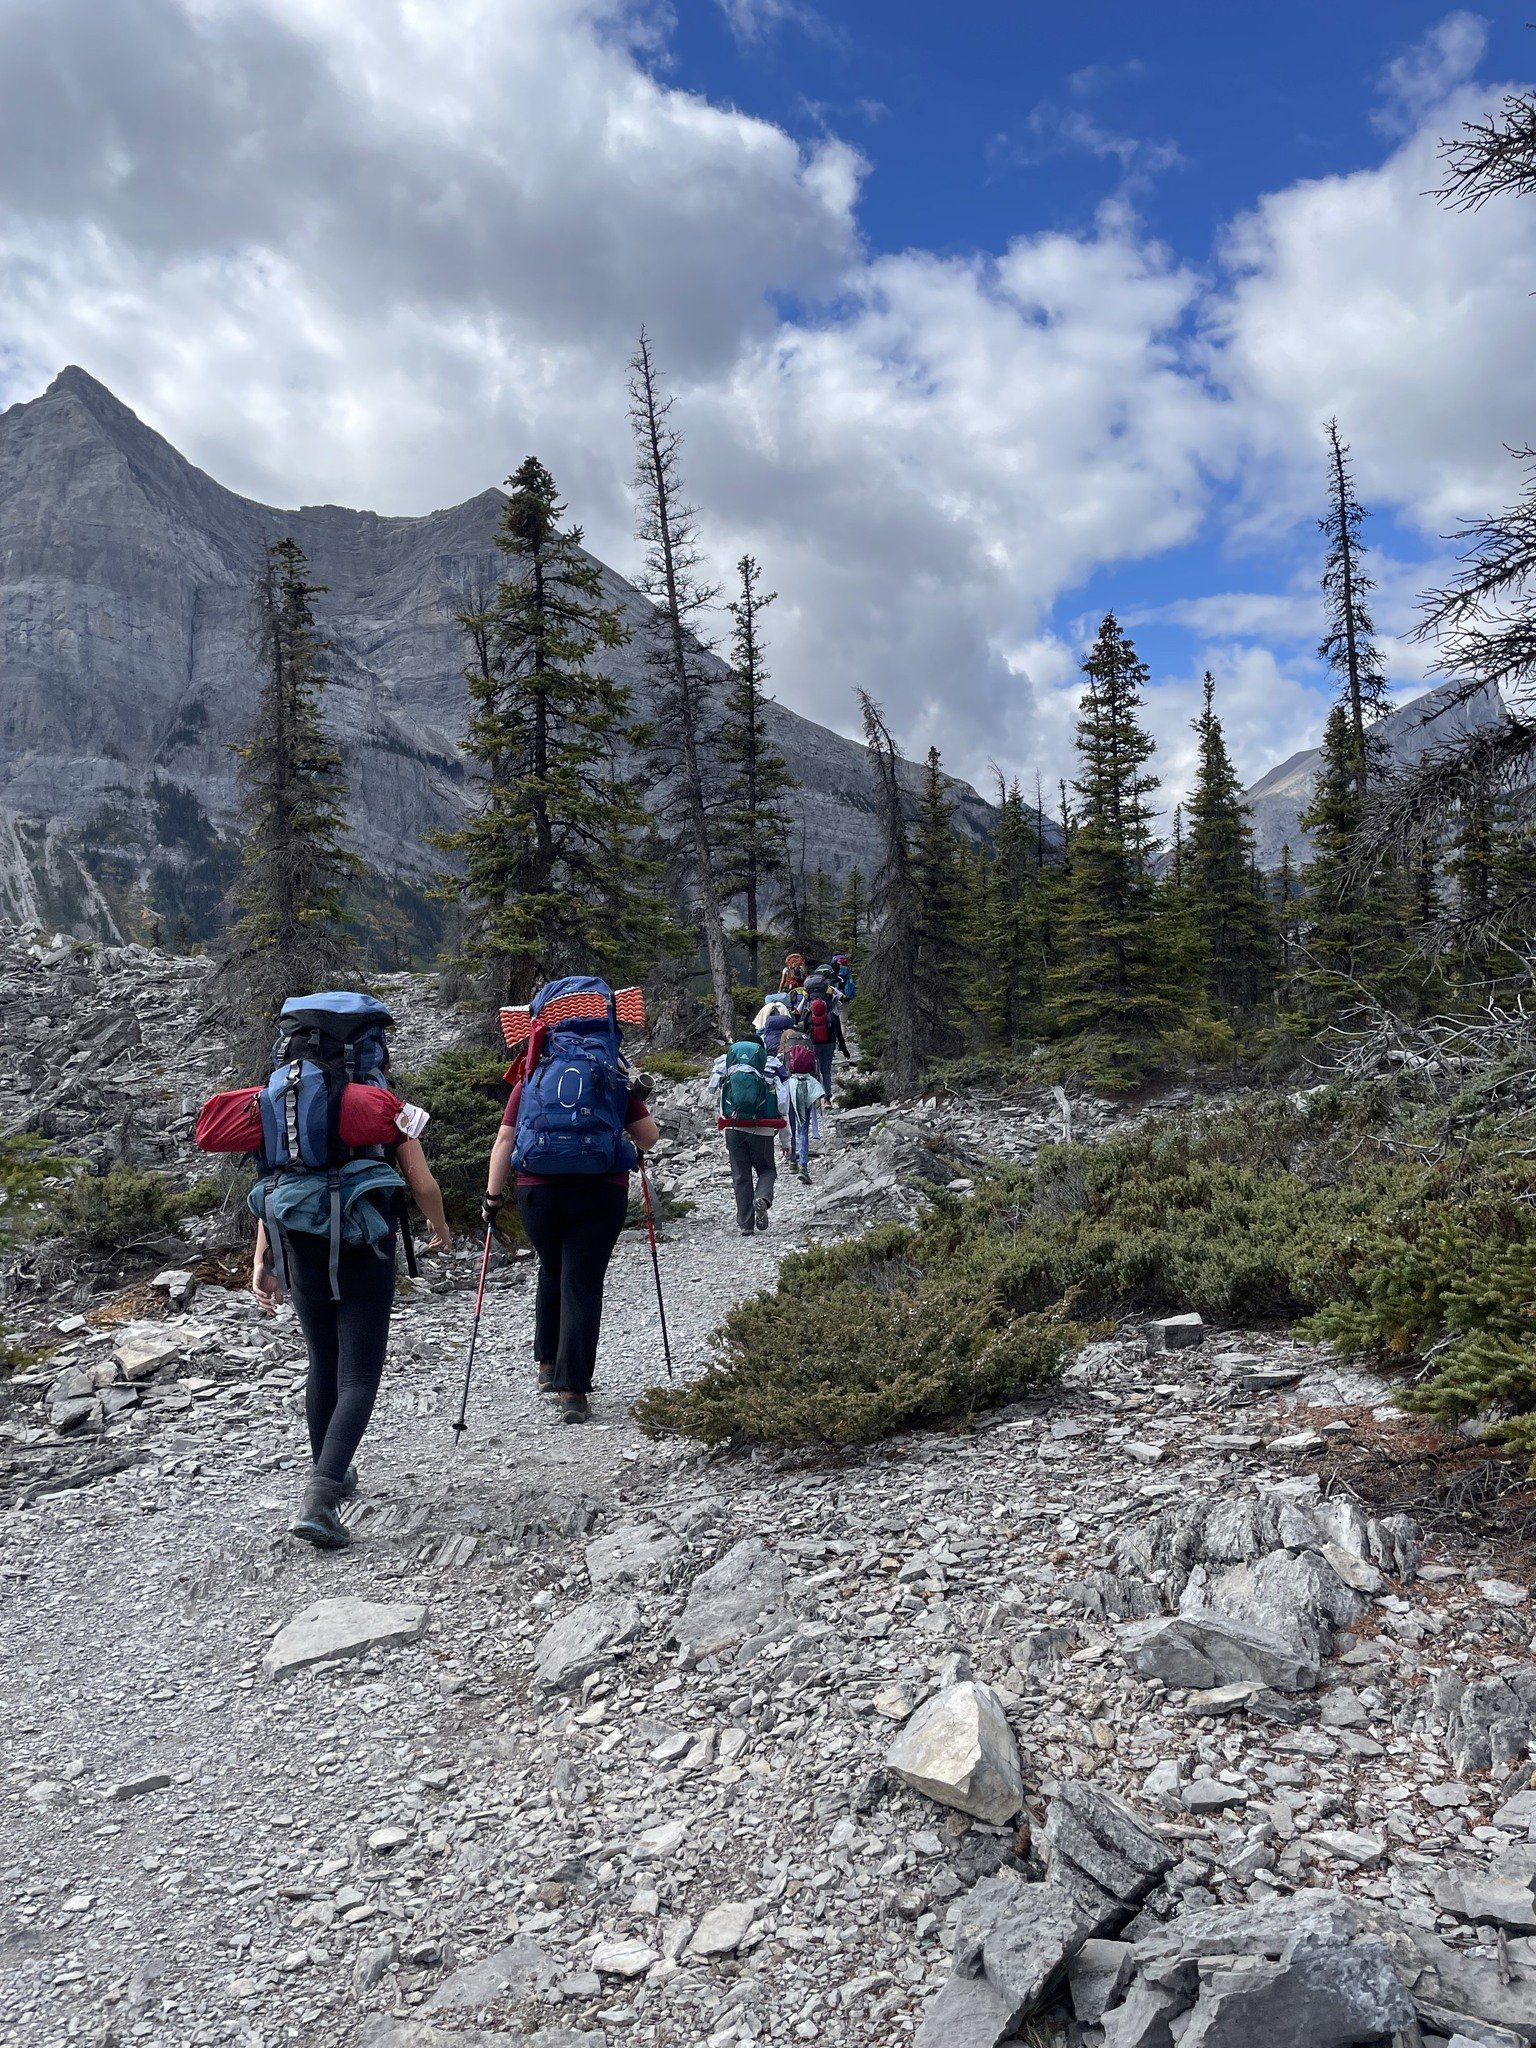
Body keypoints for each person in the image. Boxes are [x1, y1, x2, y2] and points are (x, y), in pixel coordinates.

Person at [251, 1047, 451, 1553]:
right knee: (360, 1374)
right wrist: (440, 1223)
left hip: (297, 1240)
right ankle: (320, 1499)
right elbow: (421, 1180)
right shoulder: (379, 1101)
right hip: (365, 1242)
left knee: (322, 1361)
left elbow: (274, 1181)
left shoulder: (281, 1101)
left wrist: (263, 1260)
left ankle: (331, 1473)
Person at [483, 992, 659, 1426]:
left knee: (551, 1267)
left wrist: (491, 1197)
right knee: (581, 1281)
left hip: (538, 1192)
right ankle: (572, 1390)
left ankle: (546, 1364)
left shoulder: (532, 1077)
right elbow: (649, 1137)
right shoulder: (612, 1075)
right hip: (600, 1192)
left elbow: (505, 1141)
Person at [710, 1038, 785, 1234]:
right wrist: (786, 1139)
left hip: (734, 1128)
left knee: (740, 1175)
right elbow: (783, 1105)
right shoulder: (771, 1066)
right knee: (767, 1170)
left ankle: (746, 1225)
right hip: (763, 1129)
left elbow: (720, 1102)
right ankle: (762, 1197)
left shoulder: (725, 1066)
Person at [806, 993, 850, 1106]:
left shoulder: (809, 1016)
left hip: (815, 1045)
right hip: (829, 1045)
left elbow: (804, 1032)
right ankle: (827, 1099)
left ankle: (816, 1099)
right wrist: (845, 1051)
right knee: (826, 1071)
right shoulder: (832, 1016)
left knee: (816, 1071)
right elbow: (839, 1035)